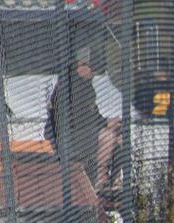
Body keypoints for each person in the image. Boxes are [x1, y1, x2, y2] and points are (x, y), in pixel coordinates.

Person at [48, 47, 120, 190]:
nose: (94, 73)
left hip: (82, 132)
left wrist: (108, 122)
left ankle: (116, 182)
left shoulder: (86, 85)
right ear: (80, 65)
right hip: (67, 136)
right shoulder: (71, 85)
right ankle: (101, 179)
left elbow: (92, 114)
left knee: (120, 135)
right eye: (92, 68)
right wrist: (105, 124)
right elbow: (81, 118)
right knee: (108, 136)